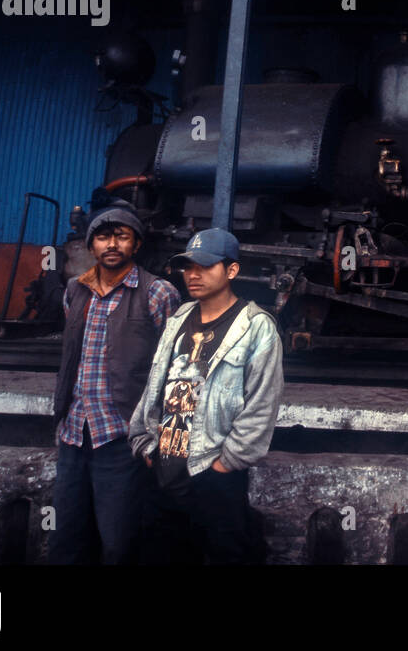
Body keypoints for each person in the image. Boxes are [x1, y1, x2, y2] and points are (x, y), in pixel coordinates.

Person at [129, 228, 284, 564]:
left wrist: (224, 465)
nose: (193, 274)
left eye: (205, 266)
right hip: (163, 472)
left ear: (232, 270)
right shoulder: (179, 318)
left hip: (212, 476)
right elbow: (156, 383)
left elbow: (262, 404)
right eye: (188, 266)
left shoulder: (256, 326)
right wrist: (145, 444)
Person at [48, 203, 180, 564]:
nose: (111, 244)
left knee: (119, 542)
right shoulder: (74, 290)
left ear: (136, 245)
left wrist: (162, 436)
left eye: (121, 237)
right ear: (91, 245)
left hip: (122, 436)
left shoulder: (158, 293)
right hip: (74, 433)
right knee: (66, 539)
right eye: (103, 237)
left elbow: (175, 368)